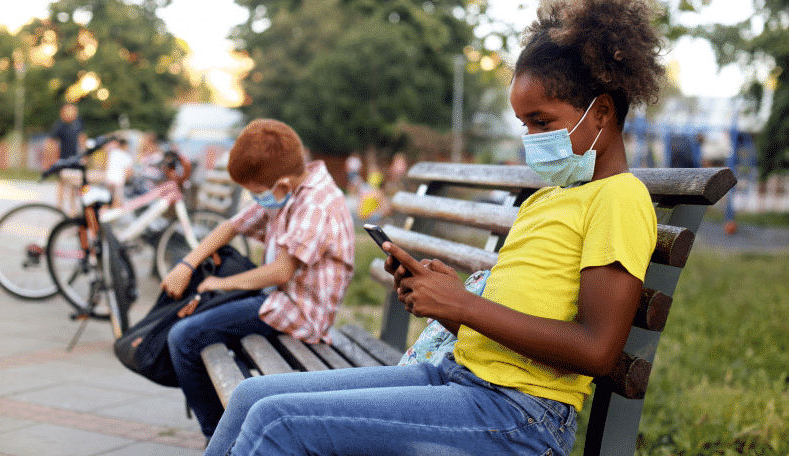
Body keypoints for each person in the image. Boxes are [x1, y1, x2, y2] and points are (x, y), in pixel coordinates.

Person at [203, 0, 664, 454]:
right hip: (457, 377)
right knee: (251, 397)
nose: (531, 139)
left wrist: (466, 306)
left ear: (602, 113)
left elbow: (597, 349)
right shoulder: (548, 198)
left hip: (518, 414)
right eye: (525, 124)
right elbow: (524, 310)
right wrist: (448, 301)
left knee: (276, 422)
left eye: (542, 122)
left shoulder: (618, 198)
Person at [160, 118, 355, 441]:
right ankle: (234, 434)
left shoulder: (316, 204)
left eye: (255, 193)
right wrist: (187, 264)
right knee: (193, 327)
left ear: (280, 185)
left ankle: (222, 440)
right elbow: (231, 227)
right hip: (276, 299)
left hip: (298, 313)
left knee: (184, 338)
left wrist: (219, 284)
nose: (255, 199)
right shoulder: (289, 187)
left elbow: (281, 271)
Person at [46, 103, 86, 215]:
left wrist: (84, 154)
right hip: (62, 159)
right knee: (62, 183)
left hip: (75, 159)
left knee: (74, 184)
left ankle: (72, 209)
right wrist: (51, 160)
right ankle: (59, 208)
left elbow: (82, 137)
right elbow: (51, 142)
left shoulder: (78, 123)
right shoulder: (59, 125)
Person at [104, 137, 133, 207]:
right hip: (119, 181)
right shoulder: (127, 156)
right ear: (125, 145)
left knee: (108, 200)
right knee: (117, 202)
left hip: (108, 179)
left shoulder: (112, 153)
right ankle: (115, 216)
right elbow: (128, 172)